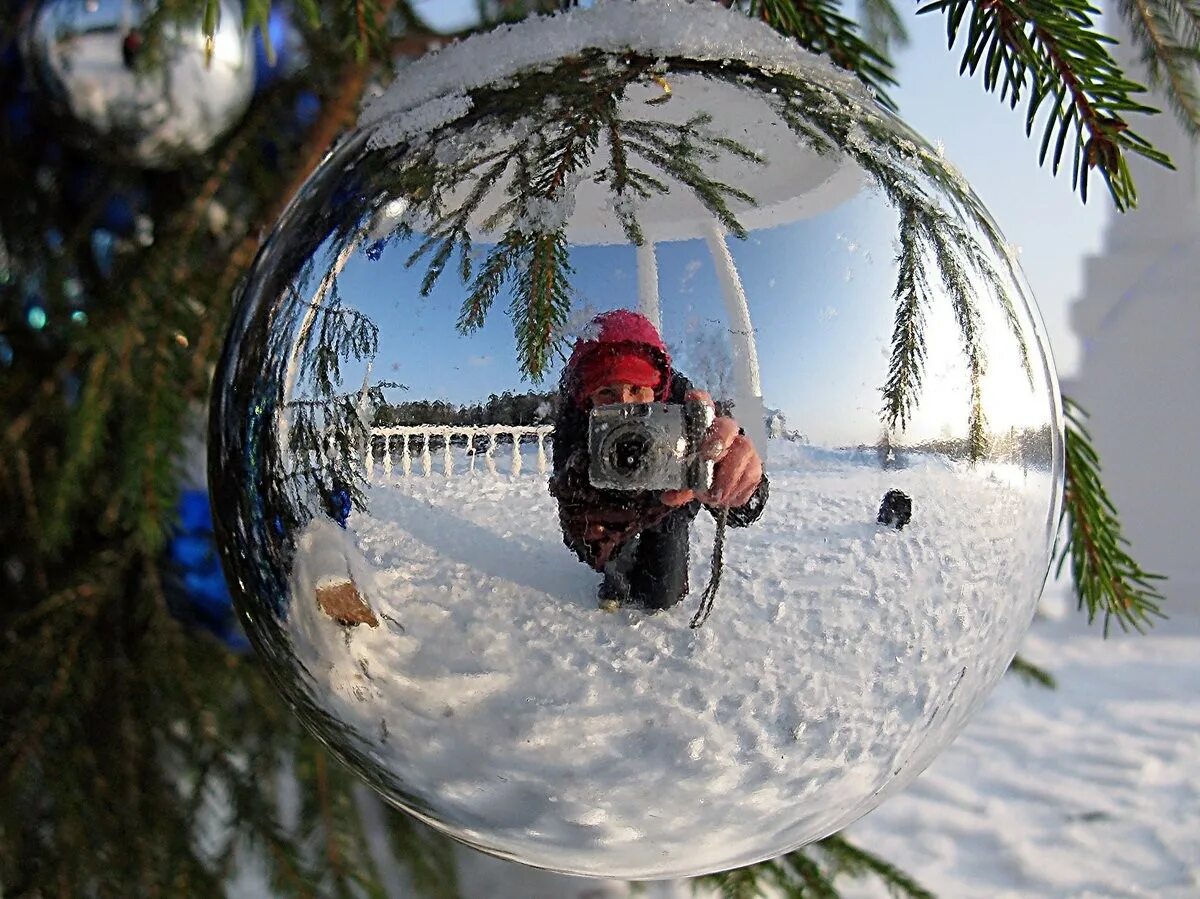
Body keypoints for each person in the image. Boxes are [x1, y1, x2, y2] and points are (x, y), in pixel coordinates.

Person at [549, 310, 768, 613]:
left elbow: (741, 512)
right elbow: (567, 506)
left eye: (637, 389)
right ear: (587, 401)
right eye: (606, 393)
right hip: (609, 502)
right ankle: (615, 578)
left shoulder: (683, 410)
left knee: (662, 596)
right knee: (608, 554)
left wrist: (738, 479)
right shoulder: (574, 422)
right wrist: (587, 519)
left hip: (669, 507)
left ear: (658, 391)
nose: (624, 406)